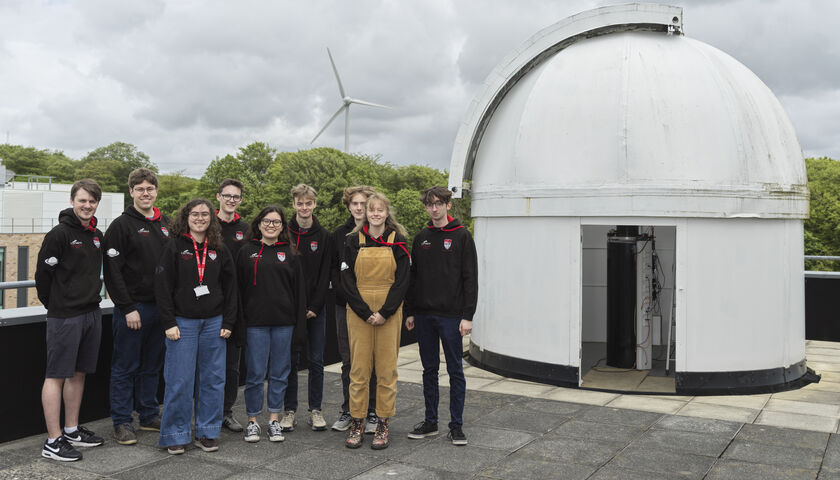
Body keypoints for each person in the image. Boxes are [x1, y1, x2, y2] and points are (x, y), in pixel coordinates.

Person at [155, 199, 237, 455]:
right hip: (183, 323)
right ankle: (176, 434)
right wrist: (168, 322)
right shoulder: (174, 246)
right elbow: (162, 286)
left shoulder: (219, 248)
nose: (200, 218)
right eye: (195, 214)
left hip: (214, 323)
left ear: (211, 218)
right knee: (180, 380)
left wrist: (229, 321)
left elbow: (232, 288)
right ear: (186, 216)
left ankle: (207, 432)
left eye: (204, 214)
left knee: (213, 380)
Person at [36, 179, 106, 461]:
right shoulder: (59, 234)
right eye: (82, 200)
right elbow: (43, 278)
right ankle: (53, 441)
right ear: (72, 200)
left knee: (78, 373)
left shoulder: (97, 234)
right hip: (65, 316)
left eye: (92, 201)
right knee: (56, 375)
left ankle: (71, 429)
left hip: (91, 312)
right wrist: (57, 306)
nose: (87, 205)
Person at [405, 186, 477, 446]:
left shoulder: (461, 236)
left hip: (451, 317)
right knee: (429, 370)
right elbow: (413, 278)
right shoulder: (421, 237)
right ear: (425, 207)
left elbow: (470, 278)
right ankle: (431, 421)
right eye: (429, 204)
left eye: (439, 203)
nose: (434, 208)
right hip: (424, 316)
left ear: (447, 205)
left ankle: (456, 426)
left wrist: (467, 316)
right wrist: (411, 311)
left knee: (455, 370)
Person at [103, 168, 170, 445]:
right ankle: (121, 422)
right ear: (131, 192)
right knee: (125, 367)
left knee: (152, 365)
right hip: (132, 310)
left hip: (161, 310)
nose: (146, 193)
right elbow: (112, 271)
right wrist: (127, 307)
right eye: (140, 189)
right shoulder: (121, 225)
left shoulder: (165, 223)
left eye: (150, 189)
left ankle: (148, 414)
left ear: (156, 191)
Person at [340, 192, 410, 450]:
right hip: (359, 311)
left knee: (386, 370)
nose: (376, 214)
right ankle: (357, 421)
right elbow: (346, 281)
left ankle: (382, 421)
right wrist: (365, 312)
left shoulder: (398, 241)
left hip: (388, 311)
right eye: (372, 210)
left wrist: (385, 311)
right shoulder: (352, 241)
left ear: (386, 212)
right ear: (366, 214)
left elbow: (403, 282)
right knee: (358, 370)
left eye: (380, 210)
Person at [236, 205, 306, 443]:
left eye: (276, 222)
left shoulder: (291, 254)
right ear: (258, 223)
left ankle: (274, 420)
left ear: (282, 227)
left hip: (284, 324)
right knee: (255, 374)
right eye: (267, 221)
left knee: (279, 374)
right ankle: (253, 421)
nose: (271, 225)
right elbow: (238, 291)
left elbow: (299, 294)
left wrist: (299, 327)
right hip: (255, 324)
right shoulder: (246, 251)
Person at [281, 184, 331, 432]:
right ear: (294, 205)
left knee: (316, 361)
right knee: (290, 361)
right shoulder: (283, 233)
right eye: (300, 203)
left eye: (308, 203)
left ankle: (315, 410)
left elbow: (325, 276)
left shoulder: (324, 236)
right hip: (289, 311)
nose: (304, 207)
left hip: (315, 310)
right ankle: (289, 410)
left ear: (315, 204)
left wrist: (314, 306)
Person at [330, 185, 379, 434]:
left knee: (370, 362)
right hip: (346, 307)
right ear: (348, 206)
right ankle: (349, 409)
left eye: (363, 204)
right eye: (355, 204)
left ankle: (371, 411)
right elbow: (336, 274)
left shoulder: (379, 232)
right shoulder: (338, 235)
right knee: (349, 362)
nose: (359, 208)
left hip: (373, 309)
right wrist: (352, 301)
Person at [215, 178, 249, 433]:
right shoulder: (206, 222)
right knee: (208, 365)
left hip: (237, 306)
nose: (231, 200)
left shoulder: (246, 229)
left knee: (232, 366)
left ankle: (227, 411)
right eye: (227, 195)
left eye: (235, 197)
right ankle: (208, 412)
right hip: (210, 304)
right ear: (218, 197)